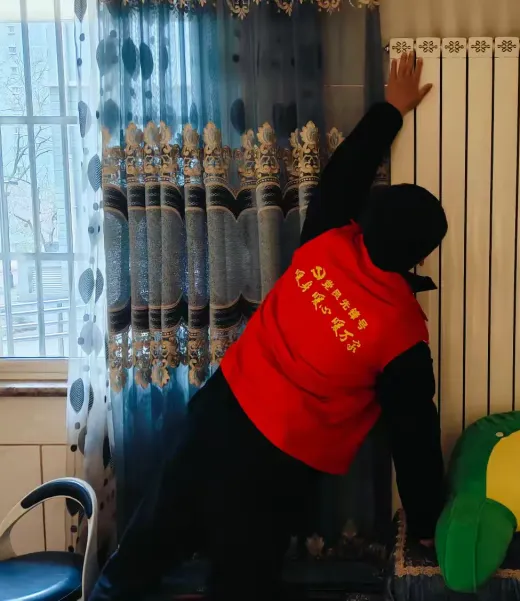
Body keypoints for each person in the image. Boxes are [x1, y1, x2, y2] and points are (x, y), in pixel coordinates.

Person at [89, 52, 447, 601]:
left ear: (367, 220)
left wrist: (390, 111)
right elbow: (414, 433)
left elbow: (345, 171)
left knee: (152, 537)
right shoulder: (402, 333)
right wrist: (425, 521)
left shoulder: (328, 238)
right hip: (277, 460)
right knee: (244, 578)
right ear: (419, 258)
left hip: (222, 409)